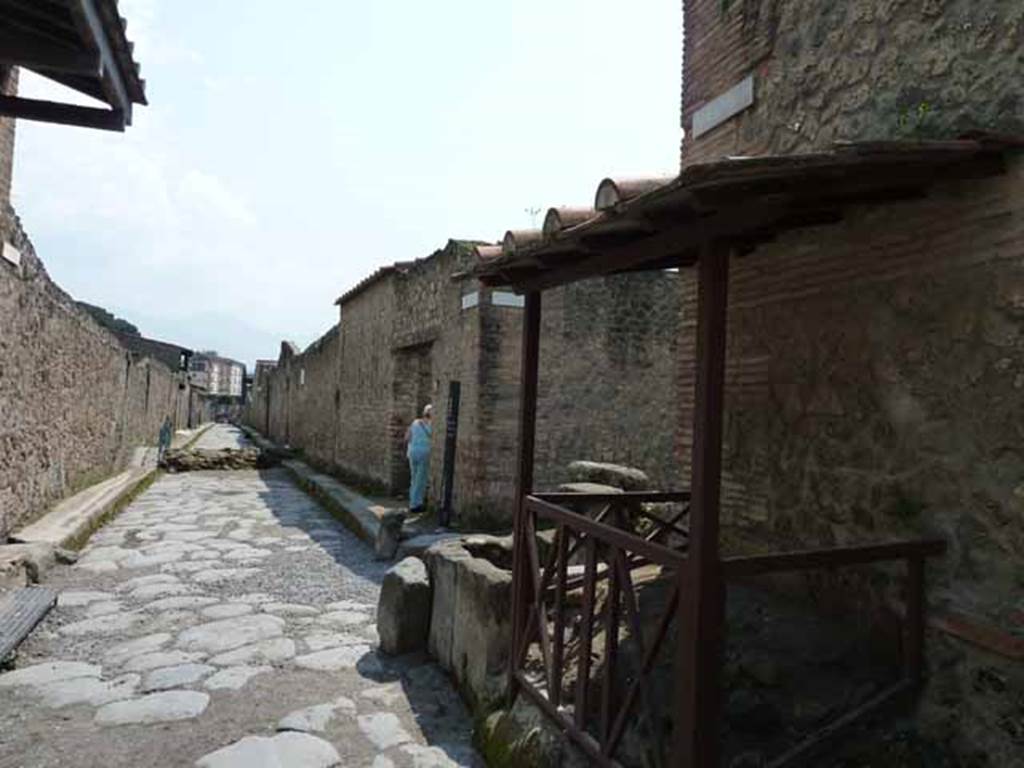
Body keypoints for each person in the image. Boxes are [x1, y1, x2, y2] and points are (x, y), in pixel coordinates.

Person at [405, 404, 433, 514]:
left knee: (414, 478)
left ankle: (412, 502)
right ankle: (416, 505)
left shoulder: (415, 422)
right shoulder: (432, 425)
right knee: (420, 480)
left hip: (412, 452)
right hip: (424, 453)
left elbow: (407, 437)